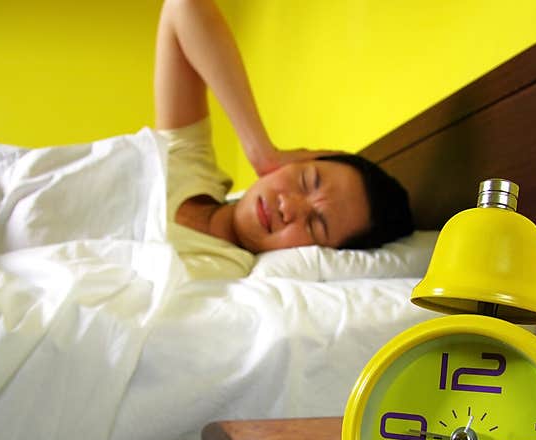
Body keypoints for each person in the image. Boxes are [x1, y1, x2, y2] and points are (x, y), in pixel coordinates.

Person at [154, 0, 413, 276]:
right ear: (300, 158)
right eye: (306, 181)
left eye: (315, 224)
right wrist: (260, 150)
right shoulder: (187, 162)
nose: (288, 207)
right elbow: (183, 7)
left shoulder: (220, 268)